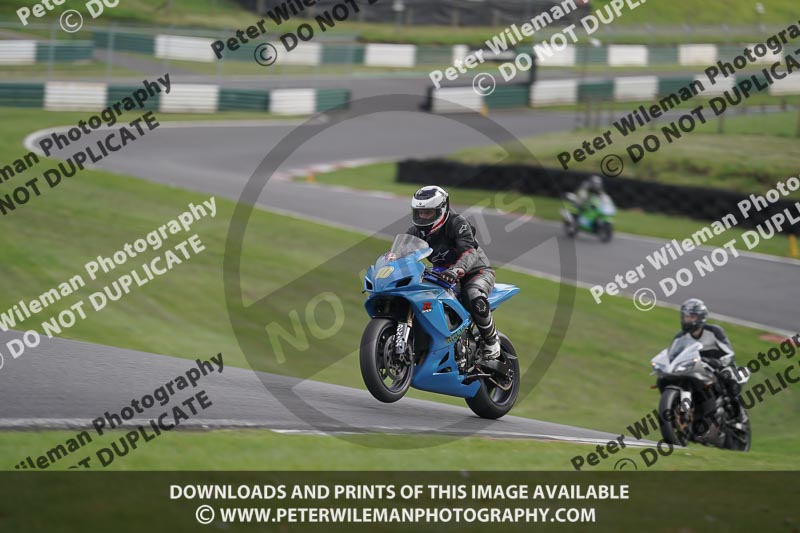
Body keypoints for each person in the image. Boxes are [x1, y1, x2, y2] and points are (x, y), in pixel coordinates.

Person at [407, 185, 500, 363]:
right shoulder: (415, 232)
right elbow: (401, 255)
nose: (423, 217)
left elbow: (470, 252)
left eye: (428, 212)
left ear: (441, 209)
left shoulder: (457, 223)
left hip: (476, 272)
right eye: (420, 213)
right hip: (442, 275)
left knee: (472, 294)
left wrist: (457, 270)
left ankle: (492, 341)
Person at [674, 298, 748, 425]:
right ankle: (689, 411)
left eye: (691, 317)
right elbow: (672, 356)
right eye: (685, 317)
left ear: (700, 318)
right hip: (695, 368)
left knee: (728, 377)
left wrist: (720, 363)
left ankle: (739, 411)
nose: (688, 320)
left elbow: (729, 353)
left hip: (719, 366)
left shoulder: (714, 331)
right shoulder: (680, 338)